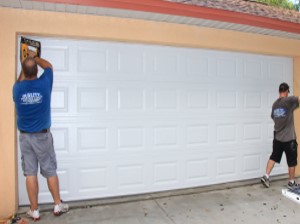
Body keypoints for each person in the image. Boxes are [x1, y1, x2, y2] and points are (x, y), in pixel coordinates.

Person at [13, 50, 69, 221]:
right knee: (50, 170)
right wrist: (34, 57)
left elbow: (20, 80)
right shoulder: (44, 83)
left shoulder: (17, 88)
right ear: (36, 70)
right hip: (42, 137)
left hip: (25, 138)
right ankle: (57, 205)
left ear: (23, 71)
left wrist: (26, 62)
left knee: (30, 173)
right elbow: (49, 67)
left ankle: (34, 210)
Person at [261, 82, 300, 189]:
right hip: (289, 139)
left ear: (279, 91)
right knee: (292, 161)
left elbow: (273, 117)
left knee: (274, 156)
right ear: (287, 91)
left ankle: (266, 176)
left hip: (278, 138)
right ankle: (291, 182)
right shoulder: (289, 100)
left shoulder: (275, 104)